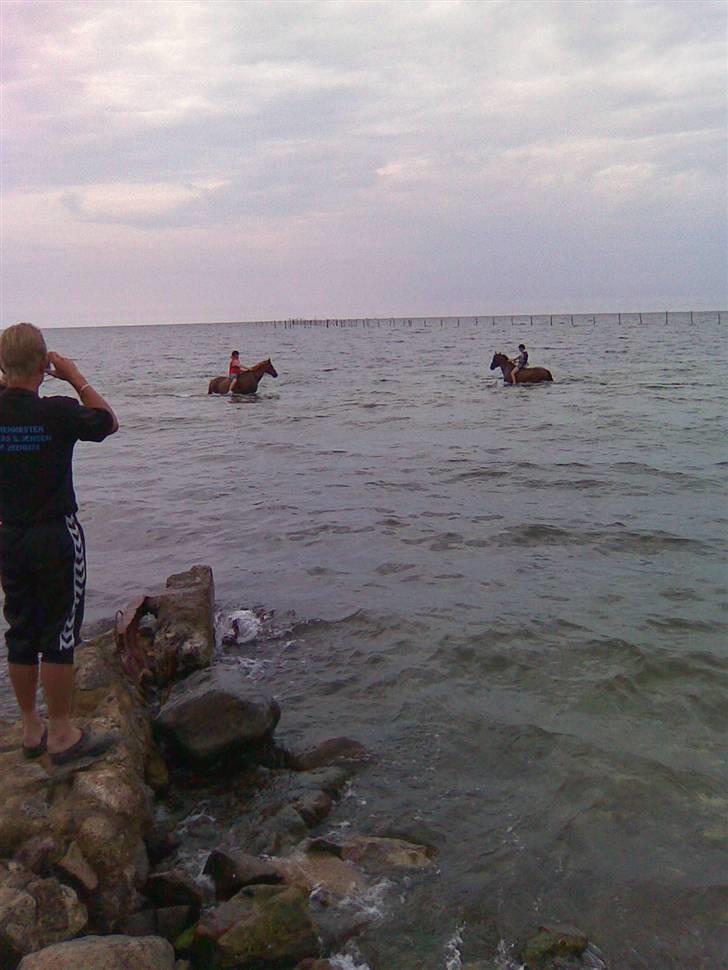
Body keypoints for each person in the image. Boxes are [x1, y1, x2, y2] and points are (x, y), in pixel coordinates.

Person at [0, 322, 119, 766]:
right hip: (55, 535)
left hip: (8, 535)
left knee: (21, 630)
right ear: (44, 364)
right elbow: (108, 421)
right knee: (59, 632)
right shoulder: (59, 411)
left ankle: (31, 728)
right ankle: (63, 734)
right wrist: (75, 377)